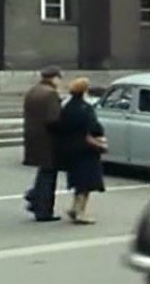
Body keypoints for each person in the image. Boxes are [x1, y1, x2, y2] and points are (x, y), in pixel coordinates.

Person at [56, 77, 107, 225]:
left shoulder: (67, 107)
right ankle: (80, 212)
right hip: (86, 148)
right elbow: (95, 127)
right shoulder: (85, 108)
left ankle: (74, 208)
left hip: (70, 148)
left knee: (77, 180)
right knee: (86, 182)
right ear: (84, 91)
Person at [23, 66, 63, 222]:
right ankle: (43, 209)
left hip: (34, 137)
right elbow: (53, 119)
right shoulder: (50, 94)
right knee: (48, 174)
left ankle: (34, 197)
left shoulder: (33, 91)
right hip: (48, 139)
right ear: (54, 78)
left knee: (43, 172)